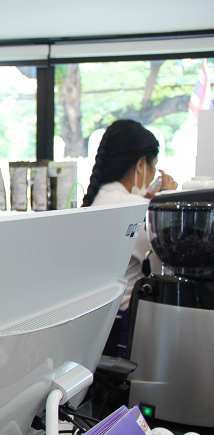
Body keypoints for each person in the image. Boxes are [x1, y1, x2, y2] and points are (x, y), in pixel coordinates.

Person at [81, 119, 177, 357]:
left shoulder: (92, 203)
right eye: (153, 167)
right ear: (141, 165)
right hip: (121, 330)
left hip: (87, 327)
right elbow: (164, 265)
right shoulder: (141, 210)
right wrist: (169, 197)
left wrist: (146, 198)